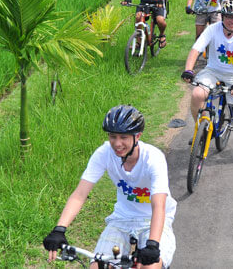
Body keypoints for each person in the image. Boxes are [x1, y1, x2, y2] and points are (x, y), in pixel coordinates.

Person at [43, 105, 177, 269]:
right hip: (121, 219)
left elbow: (159, 205)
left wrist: (153, 244)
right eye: (112, 136)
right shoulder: (104, 153)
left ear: (138, 136)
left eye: (123, 137)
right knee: (97, 266)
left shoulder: (153, 158)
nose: (117, 143)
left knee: (150, 267)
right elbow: (80, 194)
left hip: (151, 221)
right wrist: (59, 229)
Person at [181, 1, 233, 169]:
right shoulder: (212, 29)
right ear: (223, 17)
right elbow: (196, 49)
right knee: (197, 95)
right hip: (213, 71)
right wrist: (188, 69)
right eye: (229, 17)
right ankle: (199, 130)